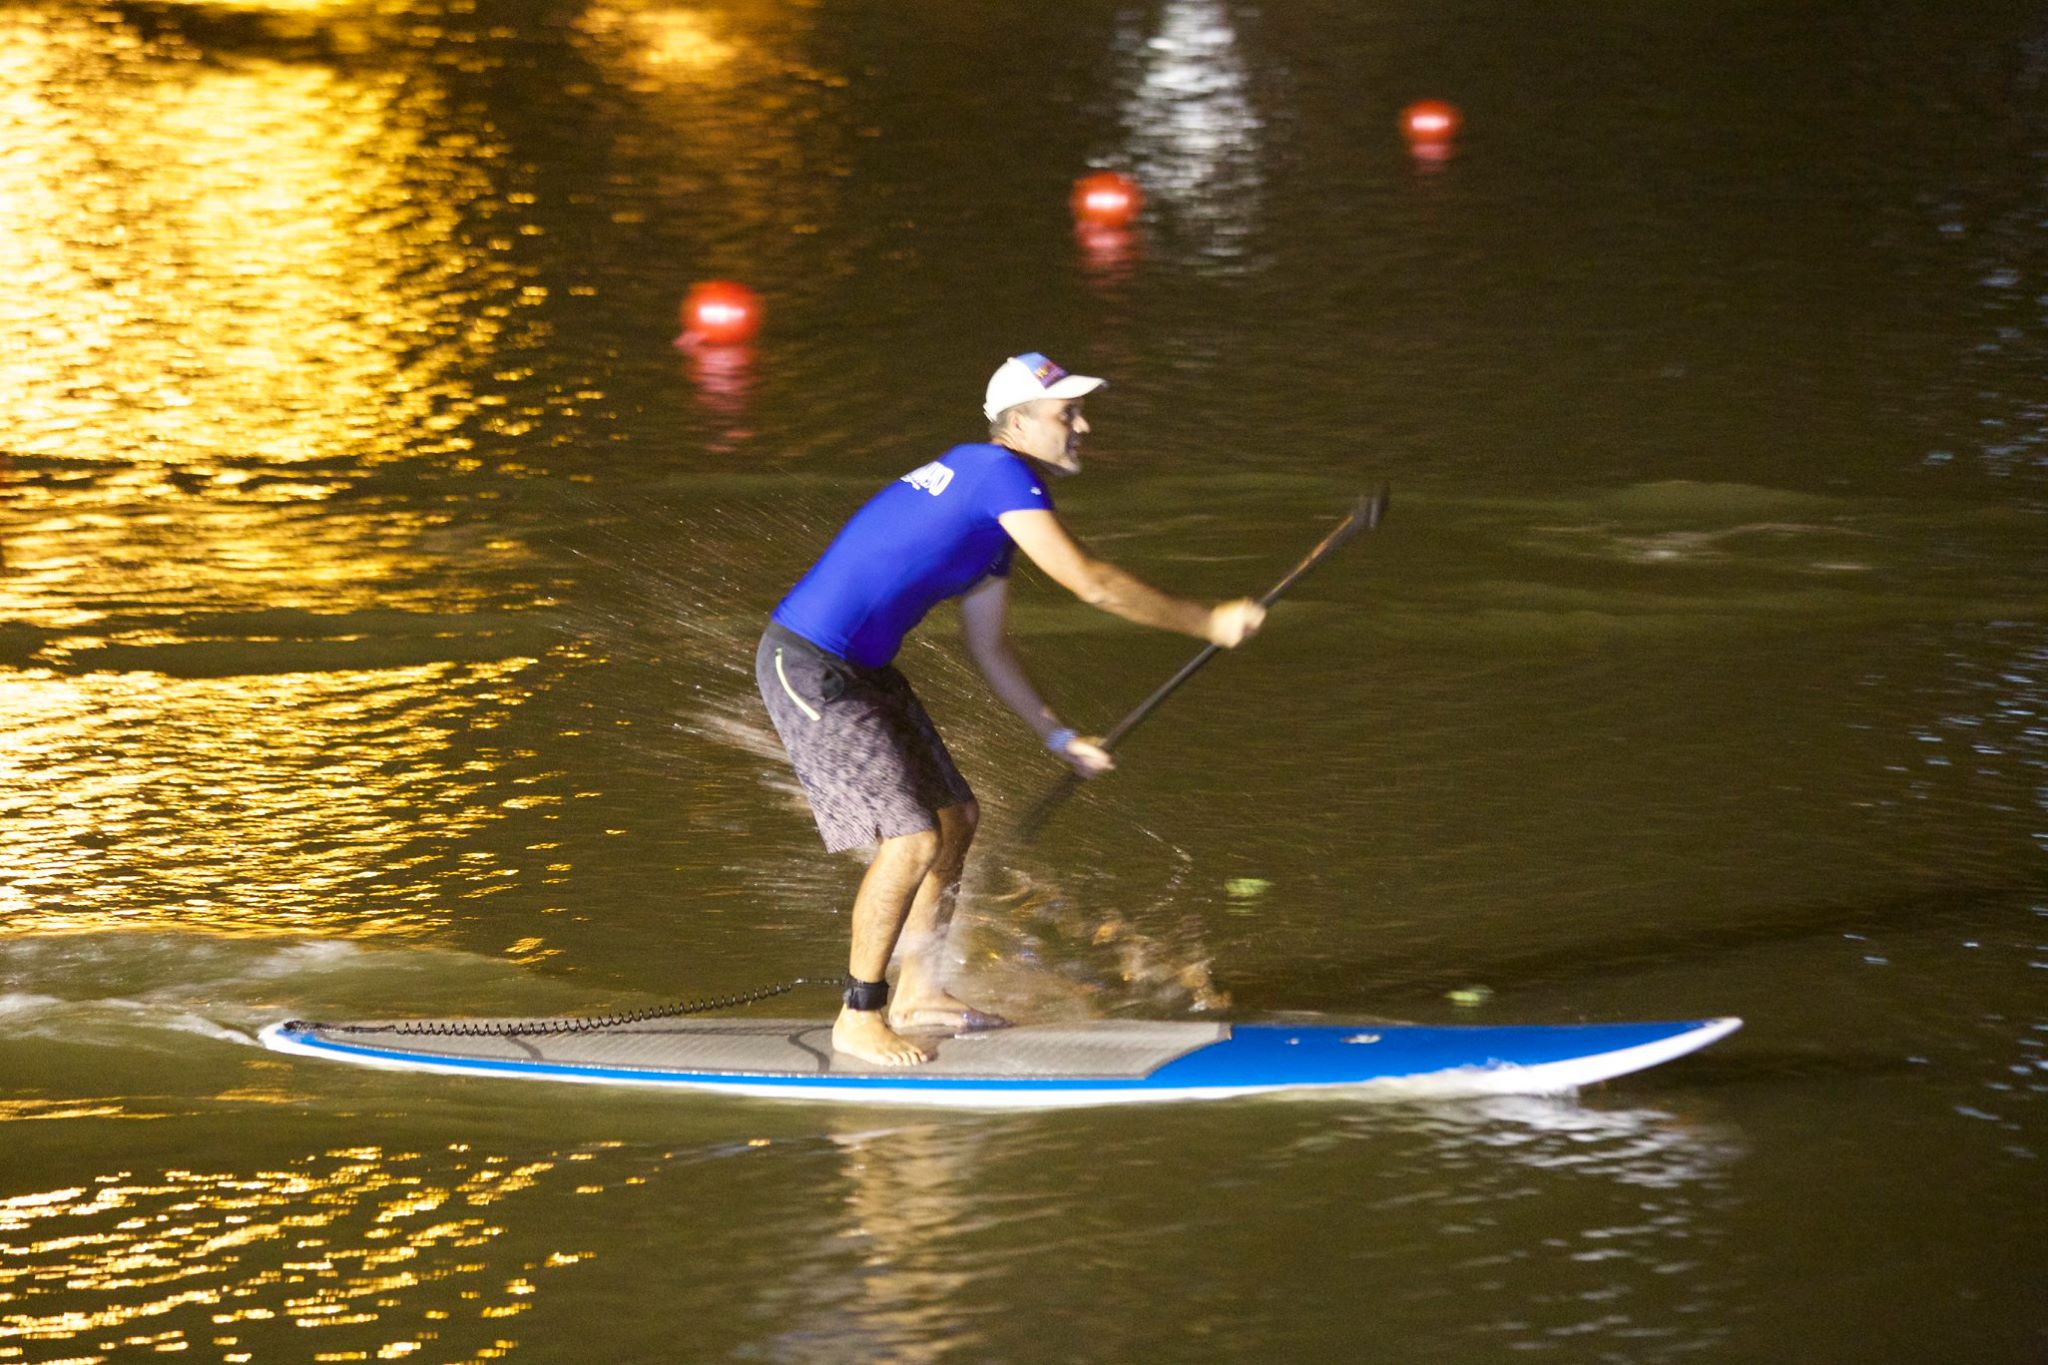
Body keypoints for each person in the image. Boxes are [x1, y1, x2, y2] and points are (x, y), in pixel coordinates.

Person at [756, 353, 1266, 1067]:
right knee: (911, 840)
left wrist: (1057, 735)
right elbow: (1092, 583)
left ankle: (919, 993)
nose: (1083, 427)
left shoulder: (992, 523)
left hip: (864, 671)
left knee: (956, 819)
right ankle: (858, 1013)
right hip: (807, 665)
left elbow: (989, 645)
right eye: (1067, 415)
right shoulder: (996, 471)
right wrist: (1205, 621)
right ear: (1018, 425)